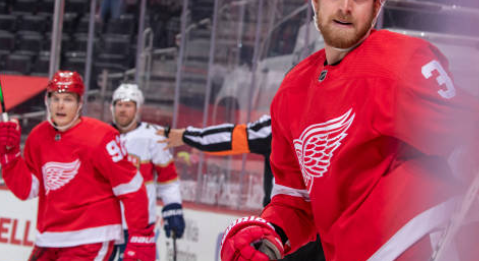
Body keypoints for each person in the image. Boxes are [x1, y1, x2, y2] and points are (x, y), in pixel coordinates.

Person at [219, 0, 479, 261]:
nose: (345, 6)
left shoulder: (402, 63)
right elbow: (295, 200)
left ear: (376, 5)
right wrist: (267, 238)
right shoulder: (292, 91)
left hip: (428, 243)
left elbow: (465, 145)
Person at [0, 71, 155, 261]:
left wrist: (140, 234)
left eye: (68, 99)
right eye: (55, 99)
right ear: (47, 102)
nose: (61, 105)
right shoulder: (38, 136)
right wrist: (10, 156)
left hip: (92, 237)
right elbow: (28, 189)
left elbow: (131, 188)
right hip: (50, 237)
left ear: (80, 103)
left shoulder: (102, 137)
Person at [159, 115, 325, 261]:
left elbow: (233, 137)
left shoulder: (283, 122)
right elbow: (234, 137)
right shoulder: (282, 122)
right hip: (290, 229)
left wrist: (186, 136)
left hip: (295, 231)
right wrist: (188, 136)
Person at [108, 83, 185, 260]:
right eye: (119, 104)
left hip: (139, 225)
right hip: (105, 224)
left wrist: (173, 207)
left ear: (138, 109)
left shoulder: (153, 136)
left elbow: (168, 180)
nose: (122, 110)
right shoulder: (101, 135)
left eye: (128, 105)